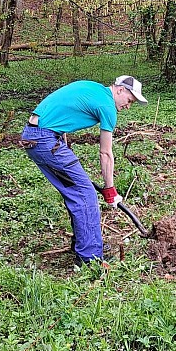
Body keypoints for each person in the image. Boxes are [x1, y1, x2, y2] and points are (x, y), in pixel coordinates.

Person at [19, 76, 147, 265]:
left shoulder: (93, 88)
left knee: (76, 191)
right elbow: (105, 153)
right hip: (45, 139)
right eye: (129, 101)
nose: (128, 106)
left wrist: (63, 145)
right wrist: (110, 190)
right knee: (84, 194)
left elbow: (62, 109)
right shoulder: (107, 106)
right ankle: (90, 258)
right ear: (120, 90)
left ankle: (84, 244)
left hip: (34, 135)